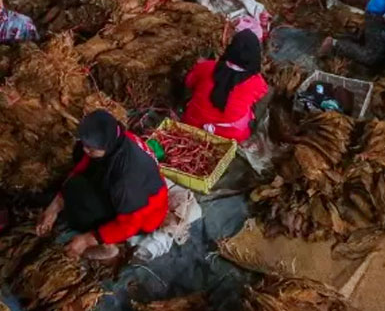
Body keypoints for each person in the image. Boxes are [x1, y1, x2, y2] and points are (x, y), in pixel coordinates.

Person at [37, 110, 168, 260]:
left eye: (91, 148)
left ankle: (109, 247)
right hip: (135, 193)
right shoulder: (119, 138)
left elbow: (129, 225)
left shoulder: (126, 183)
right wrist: (54, 207)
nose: (87, 150)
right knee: (76, 176)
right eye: (86, 144)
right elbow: (84, 166)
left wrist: (88, 239)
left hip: (143, 217)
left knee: (80, 204)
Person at [182, 30, 268, 142]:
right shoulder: (258, 83)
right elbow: (257, 96)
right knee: (247, 110)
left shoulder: (207, 67)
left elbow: (189, 82)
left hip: (192, 124)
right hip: (229, 136)